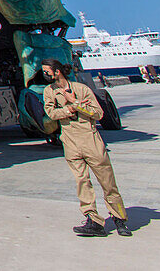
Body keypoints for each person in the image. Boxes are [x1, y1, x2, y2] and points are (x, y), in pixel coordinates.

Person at [42, 59, 131, 237]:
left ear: (57, 71)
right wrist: (69, 109)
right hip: (70, 141)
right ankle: (93, 220)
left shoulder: (82, 89)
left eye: (46, 71)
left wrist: (76, 103)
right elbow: (51, 113)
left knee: (108, 182)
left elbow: (98, 113)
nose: (44, 74)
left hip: (90, 140)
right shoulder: (49, 92)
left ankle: (119, 219)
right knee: (82, 182)